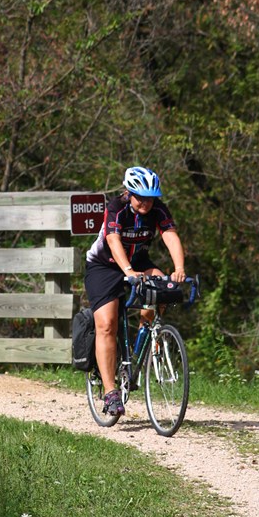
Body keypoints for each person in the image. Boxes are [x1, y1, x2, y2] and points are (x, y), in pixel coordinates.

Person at [84, 166, 186, 418]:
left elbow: (170, 235)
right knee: (107, 324)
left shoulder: (158, 209)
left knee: (165, 286)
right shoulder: (116, 207)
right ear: (129, 193)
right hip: (104, 266)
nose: (146, 203)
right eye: (140, 197)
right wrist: (128, 271)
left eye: (150, 198)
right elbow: (112, 240)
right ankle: (110, 393)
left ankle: (147, 334)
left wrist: (179, 268)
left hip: (139, 263)